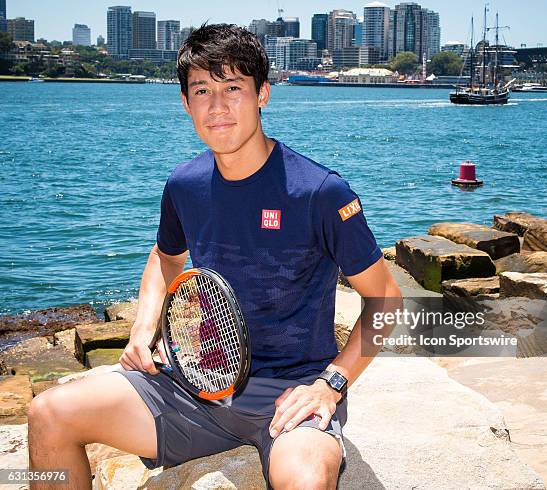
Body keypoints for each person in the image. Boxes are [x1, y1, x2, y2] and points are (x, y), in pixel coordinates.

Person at [28, 24, 401, 490]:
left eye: (233, 88)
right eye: (202, 90)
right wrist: (143, 329)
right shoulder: (185, 185)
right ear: (185, 103)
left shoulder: (320, 191)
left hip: (290, 393)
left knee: (305, 479)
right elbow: (165, 258)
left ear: (263, 93)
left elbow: (387, 301)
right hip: (192, 386)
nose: (218, 106)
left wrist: (332, 384)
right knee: (48, 413)